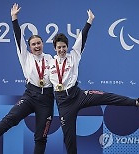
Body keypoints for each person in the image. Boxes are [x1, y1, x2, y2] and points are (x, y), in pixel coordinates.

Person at [49, 9, 139, 154]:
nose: (62, 50)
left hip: (78, 95)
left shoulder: (74, 55)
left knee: (105, 96)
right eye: (59, 47)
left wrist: (89, 21)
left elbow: (82, 38)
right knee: (69, 137)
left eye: (64, 47)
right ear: (54, 48)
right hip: (63, 103)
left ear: (67, 46)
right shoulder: (49, 62)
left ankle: (135, 102)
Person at [0, 3, 54, 154]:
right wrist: (14, 18)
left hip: (47, 100)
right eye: (33, 44)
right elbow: (18, 37)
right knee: (11, 118)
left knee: (41, 137)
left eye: (39, 43)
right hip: (31, 95)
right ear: (29, 47)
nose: (36, 46)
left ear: (43, 44)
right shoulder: (25, 57)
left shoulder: (50, 58)